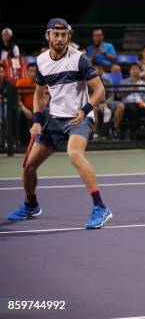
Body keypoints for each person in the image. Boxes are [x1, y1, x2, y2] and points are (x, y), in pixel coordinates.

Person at [6, 18, 112, 229]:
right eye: (56, 34)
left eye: (64, 35)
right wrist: (37, 121)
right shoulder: (41, 61)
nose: (60, 38)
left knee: (74, 154)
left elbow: (100, 90)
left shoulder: (79, 60)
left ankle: (100, 207)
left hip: (78, 119)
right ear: (48, 36)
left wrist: (85, 110)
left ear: (68, 37)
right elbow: (39, 93)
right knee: (28, 168)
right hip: (54, 120)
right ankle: (31, 205)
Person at [93, 64, 124, 140]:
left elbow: (111, 96)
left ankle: (115, 129)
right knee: (93, 110)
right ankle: (95, 133)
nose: (97, 71)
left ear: (102, 71)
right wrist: (96, 103)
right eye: (95, 69)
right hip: (93, 103)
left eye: (99, 69)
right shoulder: (88, 83)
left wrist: (106, 103)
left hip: (106, 103)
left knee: (120, 106)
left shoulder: (107, 82)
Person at [15, 64, 37, 145]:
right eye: (30, 71)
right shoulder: (21, 82)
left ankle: (44, 140)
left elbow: (45, 99)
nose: (33, 74)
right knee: (19, 112)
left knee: (47, 112)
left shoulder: (41, 82)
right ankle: (19, 140)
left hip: (37, 108)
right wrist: (25, 110)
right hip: (25, 108)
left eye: (35, 71)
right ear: (27, 72)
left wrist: (36, 110)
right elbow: (18, 100)